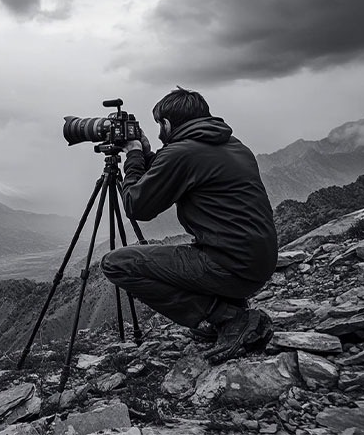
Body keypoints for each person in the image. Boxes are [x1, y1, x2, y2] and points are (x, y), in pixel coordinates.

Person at [100, 87, 277, 364]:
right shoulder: (234, 145)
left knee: (116, 263)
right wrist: (146, 153)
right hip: (258, 262)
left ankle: (231, 318)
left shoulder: (182, 153)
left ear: (167, 124)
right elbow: (172, 166)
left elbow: (137, 206)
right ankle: (228, 308)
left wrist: (133, 156)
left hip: (231, 266)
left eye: (160, 126)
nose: (159, 133)